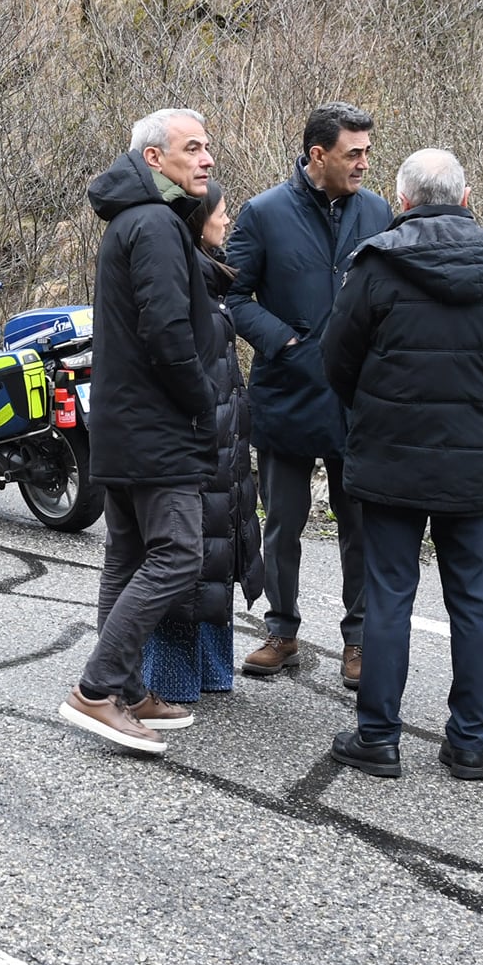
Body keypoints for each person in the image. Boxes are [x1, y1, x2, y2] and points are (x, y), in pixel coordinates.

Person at [322, 149, 483, 781]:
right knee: (474, 601)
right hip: (471, 464)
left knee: (388, 595)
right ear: (465, 199)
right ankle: (469, 741)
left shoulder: (378, 265)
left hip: (391, 460)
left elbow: (338, 361)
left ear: (403, 202)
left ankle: (378, 736)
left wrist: (378, 407)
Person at [58, 108, 219, 755]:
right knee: (179, 552)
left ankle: (120, 688)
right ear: (155, 159)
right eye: (193, 148)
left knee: (127, 555)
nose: (207, 158)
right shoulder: (152, 222)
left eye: (208, 147)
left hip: (124, 421)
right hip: (156, 425)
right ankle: (97, 689)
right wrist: (204, 403)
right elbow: (166, 330)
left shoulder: (136, 217)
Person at [226, 102, 392, 688]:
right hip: (287, 393)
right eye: (355, 153)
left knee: (360, 529)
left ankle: (360, 641)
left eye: (369, 151)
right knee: (283, 525)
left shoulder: (378, 213)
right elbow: (235, 297)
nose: (365, 163)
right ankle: (282, 630)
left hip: (357, 401)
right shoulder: (263, 213)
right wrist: (287, 344)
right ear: (317, 155)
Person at [143, 181, 265, 706]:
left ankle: (210, 670)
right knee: (191, 561)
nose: (228, 221)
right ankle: (169, 678)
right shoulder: (188, 279)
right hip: (197, 435)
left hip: (222, 434)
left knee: (219, 554)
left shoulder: (211, 275)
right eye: (221, 212)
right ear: (197, 220)